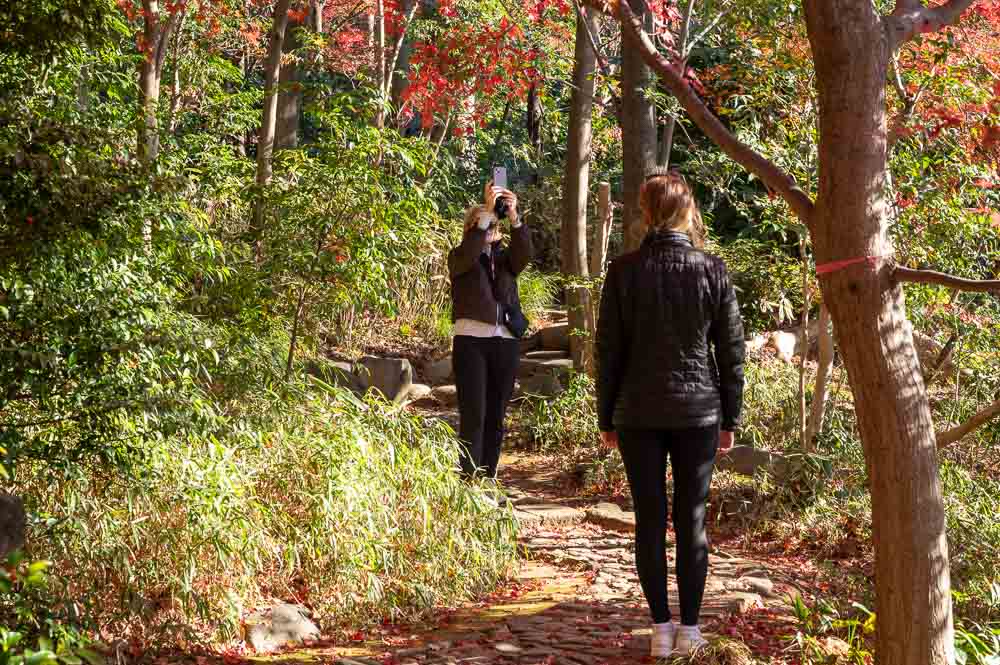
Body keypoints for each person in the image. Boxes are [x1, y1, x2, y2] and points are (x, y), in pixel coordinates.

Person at [595, 168, 745, 659]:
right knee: (691, 518)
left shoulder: (623, 271)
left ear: (646, 213)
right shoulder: (712, 270)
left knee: (649, 519)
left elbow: (609, 351)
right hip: (698, 411)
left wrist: (606, 418)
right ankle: (691, 628)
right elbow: (731, 350)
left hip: (638, 413)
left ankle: (661, 627)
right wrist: (730, 417)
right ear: (687, 212)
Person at [448, 182, 533, 479]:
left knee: (496, 415)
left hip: (505, 343)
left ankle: (488, 476)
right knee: (474, 413)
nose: (488, 226)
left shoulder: (506, 258)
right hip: (471, 342)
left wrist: (514, 217)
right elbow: (469, 252)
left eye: (490, 220)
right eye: (480, 222)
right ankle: (468, 478)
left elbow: (525, 255)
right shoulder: (460, 257)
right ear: (471, 227)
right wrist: (485, 213)